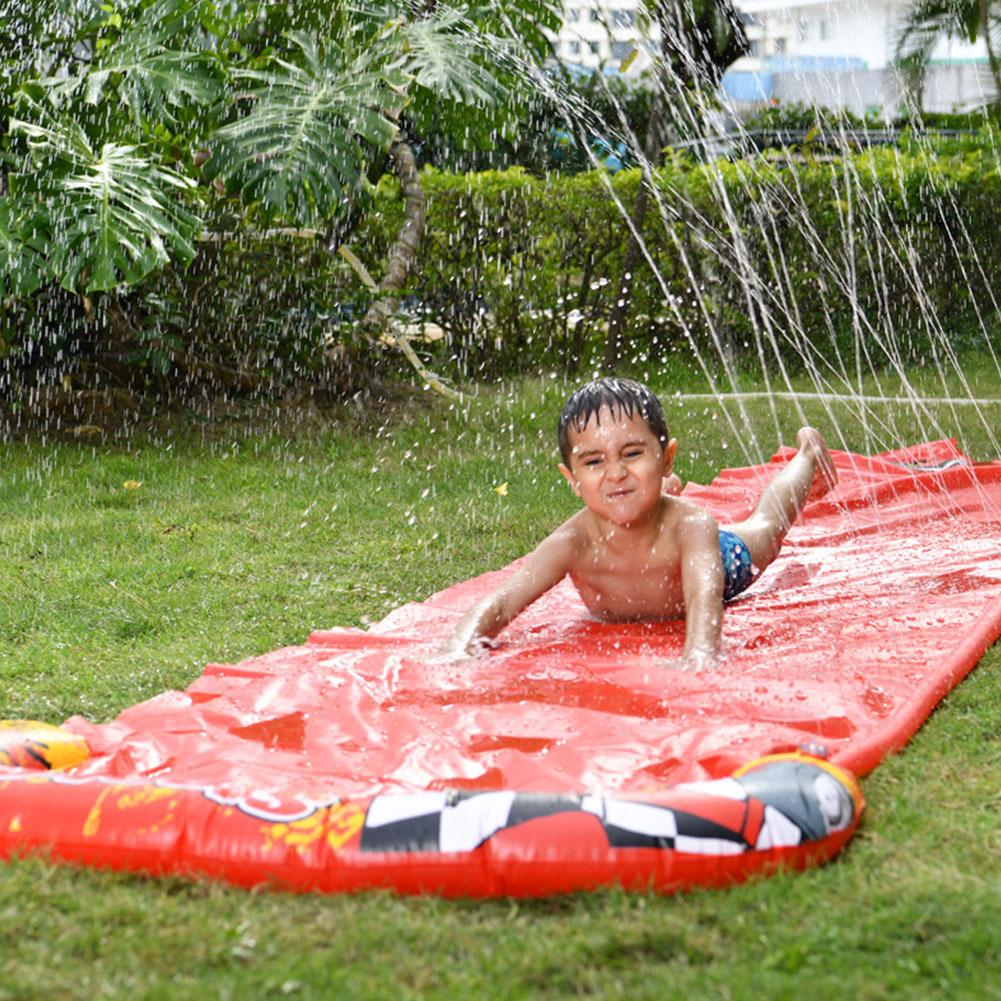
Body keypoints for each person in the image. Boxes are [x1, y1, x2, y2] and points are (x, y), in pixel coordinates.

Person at [442, 377, 837, 670]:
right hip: (663, 518)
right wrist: (461, 646)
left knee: (767, 527)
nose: (614, 473)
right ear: (572, 479)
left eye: (631, 453)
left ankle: (807, 456)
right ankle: (660, 490)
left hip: (720, 558)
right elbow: (499, 602)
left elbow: (703, 599)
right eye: (594, 462)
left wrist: (699, 653)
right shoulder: (572, 542)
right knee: (639, 494)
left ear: (667, 456)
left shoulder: (693, 526)